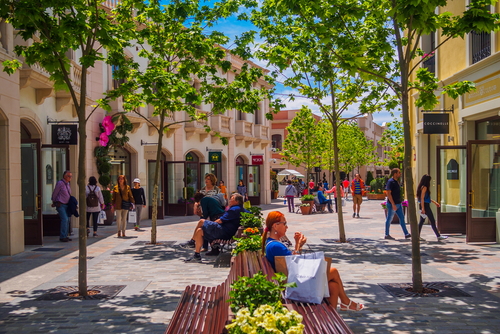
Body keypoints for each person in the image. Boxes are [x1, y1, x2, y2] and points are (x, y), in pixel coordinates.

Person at [262, 211, 364, 311]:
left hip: (292, 279)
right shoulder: (275, 246)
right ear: (275, 226)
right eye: (284, 223)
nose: (287, 227)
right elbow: (294, 265)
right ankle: (345, 302)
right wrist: (297, 244)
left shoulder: (272, 243)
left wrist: (299, 246)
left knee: (333, 286)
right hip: (293, 284)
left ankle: (330, 318)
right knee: (333, 271)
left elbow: (290, 262)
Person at [184, 193, 248, 261]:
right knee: (199, 231)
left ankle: (192, 242)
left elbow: (220, 220)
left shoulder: (234, 210)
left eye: (231, 199)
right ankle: (196, 255)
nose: (229, 200)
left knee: (202, 221)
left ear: (237, 201)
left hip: (224, 232)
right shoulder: (243, 210)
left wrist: (210, 224)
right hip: (227, 232)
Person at [417, 174, 448, 241]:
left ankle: (417, 236)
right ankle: (438, 236)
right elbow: (422, 198)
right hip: (425, 206)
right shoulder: (424, 187)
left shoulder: (421, 187)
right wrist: (423, 208)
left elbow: (426, 198)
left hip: (424, 205)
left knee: (422, 221)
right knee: (432, 220)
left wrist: (435, 202)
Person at [384, 168, 411, 240]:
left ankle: (406, 233)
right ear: (395, 173)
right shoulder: (390, 182)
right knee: (389, 219)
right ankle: (387, 234)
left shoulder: (396, 182)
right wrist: (393, 204)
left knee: (402, 218)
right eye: (399, 172)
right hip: (392, 204)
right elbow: (388, 193)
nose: (400, 174)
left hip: (398, 204)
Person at [51, 170, 73, 242]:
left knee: (67, 220)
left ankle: (66, 235)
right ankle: (62, 236)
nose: (70, 178)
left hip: (67, 205)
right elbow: (55, 193)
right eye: (69, 176)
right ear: (64, 176)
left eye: (71, 176)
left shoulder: (68, 184)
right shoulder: (60, 183)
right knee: (65, 219)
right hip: (61, 204)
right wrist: (54, 201)